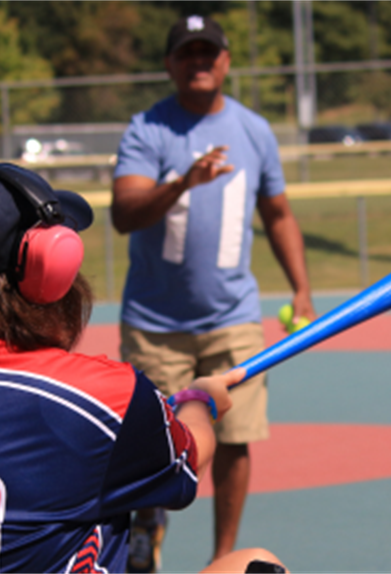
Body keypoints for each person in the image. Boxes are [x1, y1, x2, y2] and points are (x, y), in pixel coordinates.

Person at [0, 163, 284, 574]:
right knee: (255, 562)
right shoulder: (103, 394)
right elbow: (187, 462)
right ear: (50, 267)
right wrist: (199, 400)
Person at [110, 14, 315, 570]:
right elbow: (124, 213)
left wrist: (301, 287)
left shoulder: (254, 130)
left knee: (236, 437)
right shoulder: (149, 130)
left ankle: (223, 557)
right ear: (170, 64)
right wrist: (182, 182)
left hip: (234, 317)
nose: (199, 62)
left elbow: (278, 214)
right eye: (187, 53)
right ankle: (148, 528)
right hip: (156, 323)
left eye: (209, 52)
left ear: (225, 60)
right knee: (153, 444)